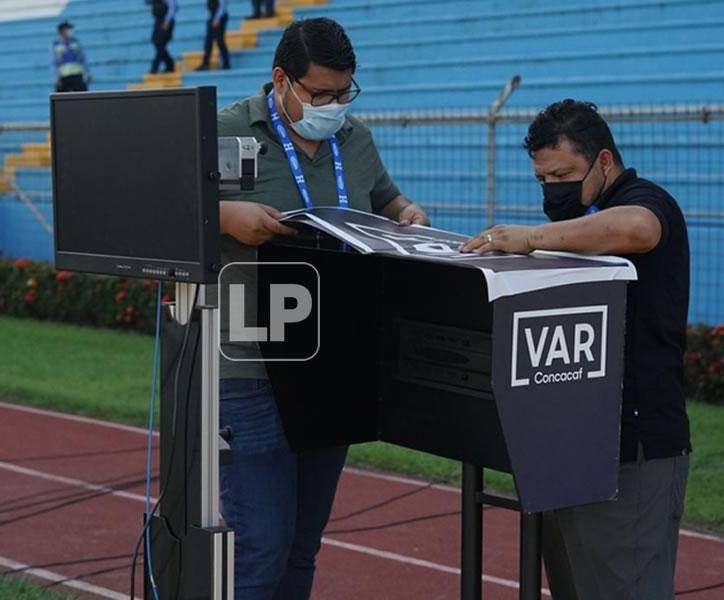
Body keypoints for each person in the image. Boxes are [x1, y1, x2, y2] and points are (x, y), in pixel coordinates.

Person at [216, 17, 428, 600]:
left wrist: (406, 211)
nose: (334, 106)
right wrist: (223, 215)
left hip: (333, 361)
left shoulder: (353, 138)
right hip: (249, 365)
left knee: (303, 548)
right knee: (258, 549)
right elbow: (160, 216)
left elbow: (384, 198)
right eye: (321, 95)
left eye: (343, 94)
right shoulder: (228, 130)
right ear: (281, 79)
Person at [461, 99, 691, 600]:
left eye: (562, 174)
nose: (552, 189)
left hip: (635, 449)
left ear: (604, 161)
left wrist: (529, 238)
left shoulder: (644, 200)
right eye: (542, 179)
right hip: (570, 446)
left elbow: (638, 228)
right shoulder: (584, 218)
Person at [52, 21, 91, 92]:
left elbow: (83, 59)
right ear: (62, 31)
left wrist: (87, 73)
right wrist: (56, 77)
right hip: (63, 77)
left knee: (82, 97)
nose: (69, 31)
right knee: (61, 99)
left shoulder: (75, 42)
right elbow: (54, 63)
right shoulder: (56, 45)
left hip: (77, 75)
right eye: (67, 29)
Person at [196, 0, 230, 70]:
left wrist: (217, 19)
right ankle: (205, 63)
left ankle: (226, 63)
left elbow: (222, 6)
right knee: (208, 42)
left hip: (219, 17)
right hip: (212, 16)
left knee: (219, 41)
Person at [148, 0, 178, 73]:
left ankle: (154, 69)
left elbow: (173, 7)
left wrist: (167, 20)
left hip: (165, 22)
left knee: (160, 44)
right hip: (158, 21)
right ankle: (170, 65)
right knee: (156, 43)